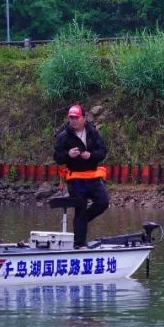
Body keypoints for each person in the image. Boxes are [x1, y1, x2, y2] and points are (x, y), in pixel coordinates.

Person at [54, 104, 109, 248]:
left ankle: (82, 221)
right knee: (80, 206)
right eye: (71, 118)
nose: (73, 121)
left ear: (84, 118)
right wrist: (68, 155)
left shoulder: (93, 132)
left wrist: (90, 155)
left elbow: (103, 151)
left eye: (76, 118)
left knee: (103, 202)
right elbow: (58, 158)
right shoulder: (64, 136)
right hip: (76, 179)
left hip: (93, 176)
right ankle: (79, 244)